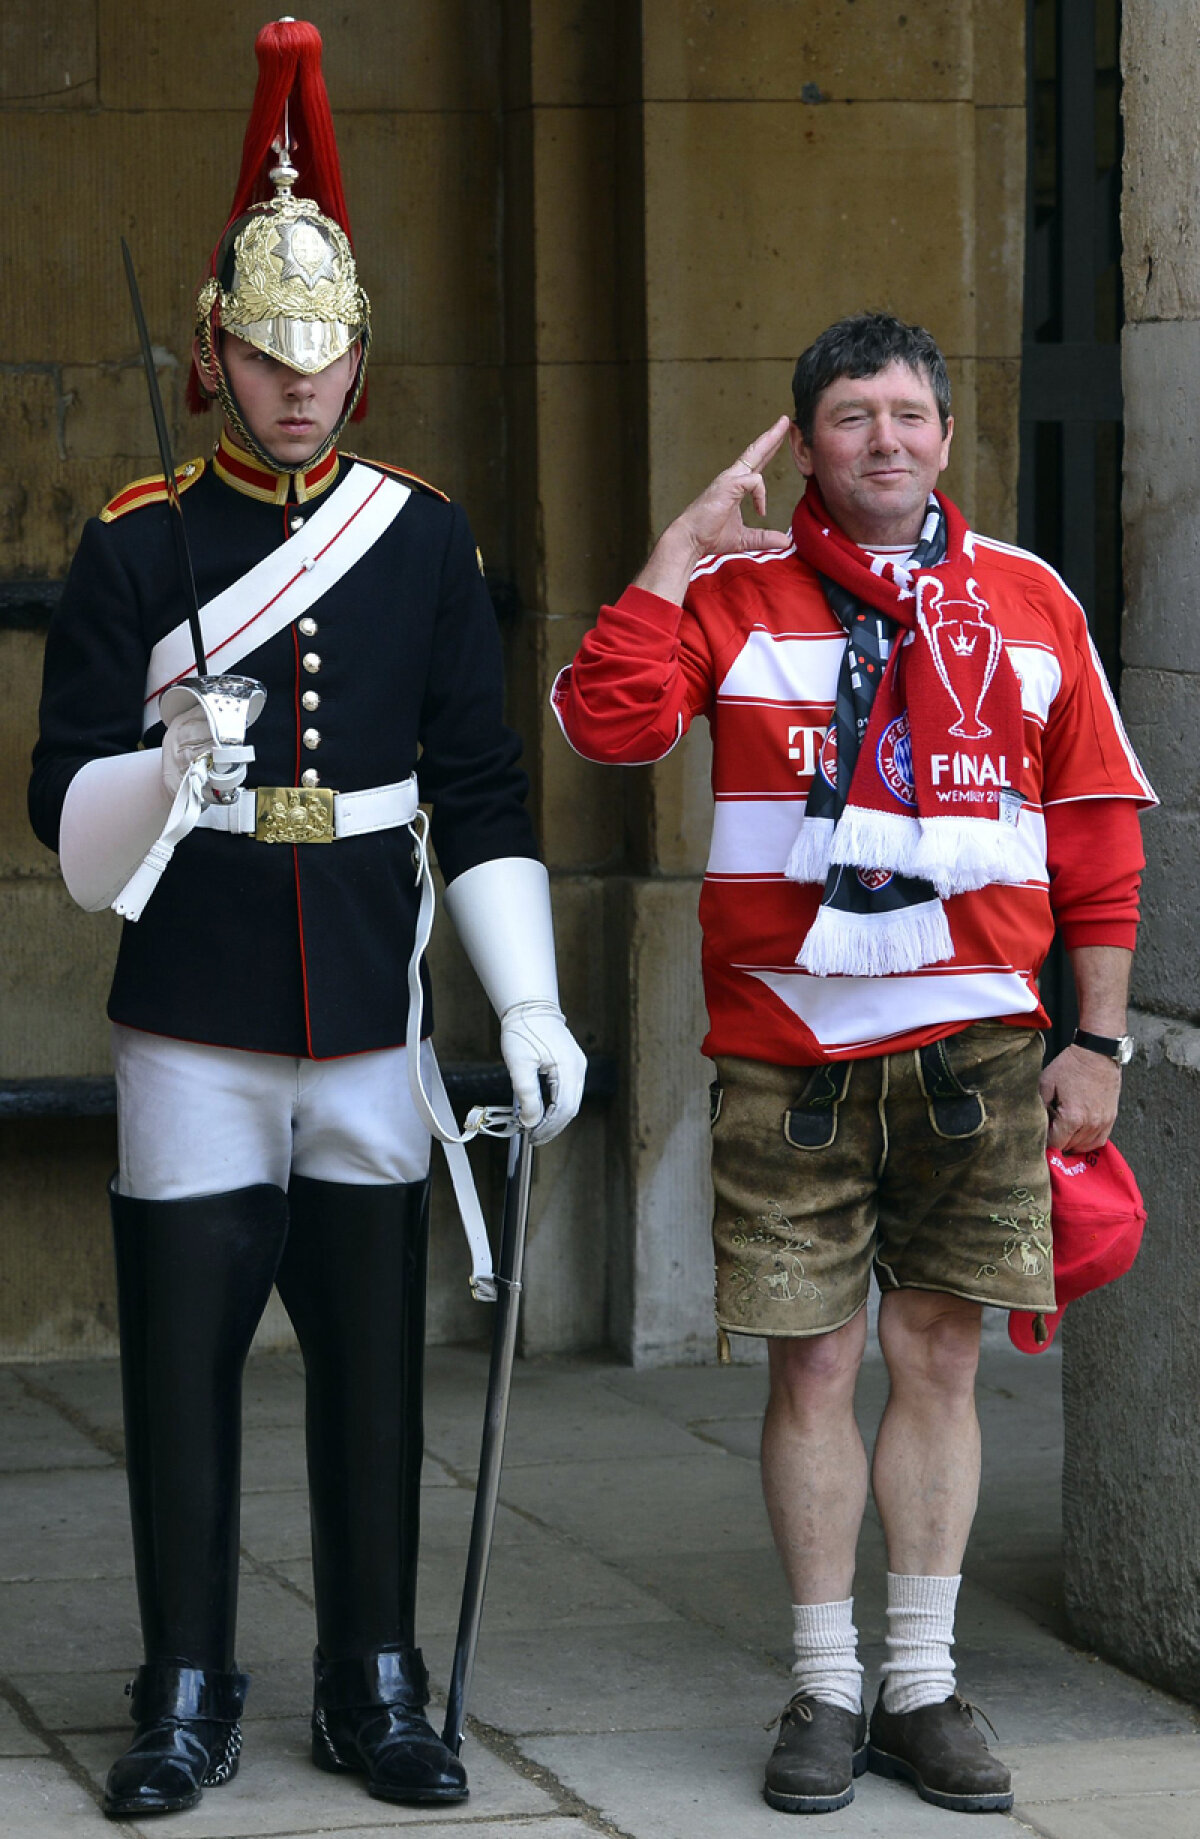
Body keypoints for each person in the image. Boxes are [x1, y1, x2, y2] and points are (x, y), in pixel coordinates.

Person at [28, 18, 585, 1821]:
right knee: (183, 1380)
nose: (294, 383)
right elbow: (67, 826)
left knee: (369, 1383)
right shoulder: (133, 545)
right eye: (264, 353)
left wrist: (534, 1005)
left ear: (361, 358)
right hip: (194, 1009)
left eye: (322, 350)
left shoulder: (423, 541)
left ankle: (375, 1681)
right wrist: (172, 763)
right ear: (216, 354)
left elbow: (479, 793)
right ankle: (183, 1683)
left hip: (371, 1012)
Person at [552, 311, 1153, 1817]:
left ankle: (922, 1684)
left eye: (908, 414)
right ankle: (824, 1689)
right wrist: (671, 554)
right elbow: (607, 727)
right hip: (791, 1048)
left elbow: (1094, 839)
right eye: (849, 418)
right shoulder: (736, 592)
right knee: (812, 1364)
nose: (885, 438)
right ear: (806, 443)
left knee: (937, 1362)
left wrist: (1097, 1038)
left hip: (983, 1047)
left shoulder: (1028, 600)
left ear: (946, 435)